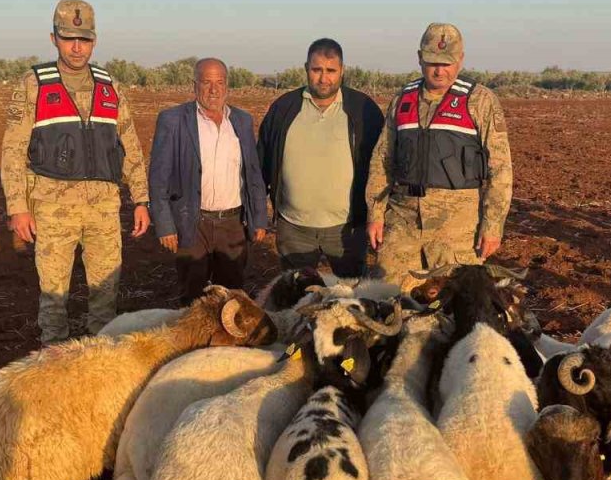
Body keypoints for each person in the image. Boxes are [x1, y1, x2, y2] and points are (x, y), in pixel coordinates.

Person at [0, 0, 151, 344]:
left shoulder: (110, 86)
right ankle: (53, 360)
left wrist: (141, 200)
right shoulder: (34, 84)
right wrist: (17, 207)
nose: (77, 47)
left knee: (106, 296)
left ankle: (96, 361)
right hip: (53, 208)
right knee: (54, 298)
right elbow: (13, 150)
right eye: (69, 38)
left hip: (104, 208)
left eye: (84, 39)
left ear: (94, 41)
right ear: (54, 38)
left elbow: (130, 145)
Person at [364, 23, 513, 282]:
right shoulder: (403, 99)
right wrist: (375, 215)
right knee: (389, 295)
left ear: (460, 59)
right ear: (420, 58)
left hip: (458, 231)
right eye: (432, 62)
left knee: (456, 297)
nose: (440, 71)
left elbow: (500, 169)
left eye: (447, 63)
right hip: (403, 223)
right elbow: (382, 159)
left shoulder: (480, 101)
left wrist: (493, 226)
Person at [256, 38, 384, 278]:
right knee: (297, 293)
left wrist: (377, 214)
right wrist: (257, 213)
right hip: (294, 228)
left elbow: (382, 165)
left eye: (331, 71)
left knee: (349, 293)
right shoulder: (284, 108)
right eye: (317, 70)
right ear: (306, 69)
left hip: (346, 229)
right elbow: (262, 162)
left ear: (342, 70)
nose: (324, 78)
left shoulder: (363, 109)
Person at [149, 58, 268, 303]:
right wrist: (165, 225)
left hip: (233, 225)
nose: (213, 90)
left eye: (219, 82)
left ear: (227, 86)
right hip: (192, 222)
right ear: (195, 85)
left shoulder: (242, 121)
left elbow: (253, 173)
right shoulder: (173, 120)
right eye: (206, 82)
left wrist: (259, 219)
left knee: (232, 296)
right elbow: (158, 177)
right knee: (192, 296)